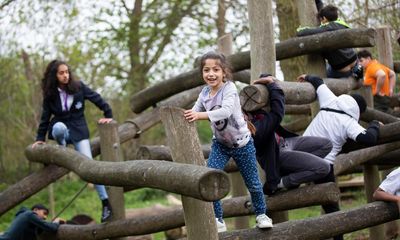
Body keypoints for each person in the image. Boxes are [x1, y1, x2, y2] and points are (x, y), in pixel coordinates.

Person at [245, 74, 343, 240]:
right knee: (323, 167)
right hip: (279, 155)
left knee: (326, 144)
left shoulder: (252, 109)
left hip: (287, 142)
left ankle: (297, 171)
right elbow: (278, 112)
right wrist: (273, 86)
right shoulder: (254, 128)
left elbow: (266, 101)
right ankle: (283, 182)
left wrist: (268, 82)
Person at [184, 51, 273, 232]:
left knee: (254, 184)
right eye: (206, 70)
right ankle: (217, 219)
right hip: (221, 145)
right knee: (211, 178)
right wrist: (185, 115)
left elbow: (224, 111)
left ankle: (261, 215)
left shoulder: (230, 89)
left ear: (224, 72)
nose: (211, 74)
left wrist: (198, 115)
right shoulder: (204, 93)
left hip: (243, 145)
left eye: (215, 69)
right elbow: (194, 110)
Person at [32, 60, 113, 222]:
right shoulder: (50, 94)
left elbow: (97, 99)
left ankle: (105, 203)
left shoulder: (79, 87)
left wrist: (108, 115)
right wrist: (40, 139)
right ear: (55, 75)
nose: (65, 75)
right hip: (61, 130)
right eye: (61, 73)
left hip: (79, 130)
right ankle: (62, 149)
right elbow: (45, 117)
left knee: (90, 166)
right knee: (59, 128)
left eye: (67, 72)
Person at [299, 74, 381, 164]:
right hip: (323, 162)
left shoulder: (330, 100)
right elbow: (369, 138)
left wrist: (306, 77)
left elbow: (317, 81)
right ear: (359, 112)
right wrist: (375, 124)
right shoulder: (349, 123)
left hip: (299, 152)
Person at [296, 5, 363, 80]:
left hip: (342, 69)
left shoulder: (327, 28)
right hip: (354, 60)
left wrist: (299, 29)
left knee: (321, 77)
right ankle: (357, 71)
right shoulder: (342, 24)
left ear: (324, 18)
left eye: (321, 20)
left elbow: (304, 32)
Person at [357, 49, 397, 115]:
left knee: (383, 118)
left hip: (378, 99)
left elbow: (382, 75)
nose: (359, 63)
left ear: (368, 59)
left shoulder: (371, 67)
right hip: (384, 97)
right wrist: (390, 89)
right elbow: (392, 74)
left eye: (361, 61)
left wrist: (377, 91)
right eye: (358, 62)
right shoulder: (378, 65)